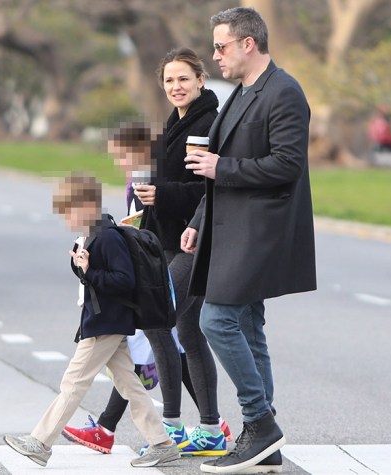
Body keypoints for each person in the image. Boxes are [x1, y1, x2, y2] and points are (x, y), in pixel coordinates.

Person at [181, 7, 317, 474]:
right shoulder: (240, 93)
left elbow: (287, 165)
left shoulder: (284, 92)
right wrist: (199, 217)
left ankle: (259, 422)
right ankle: (266, 444)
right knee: (249, 326)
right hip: (229, 228)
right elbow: (216, 164)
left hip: (261, 232)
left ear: (247, 44)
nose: (214, 55)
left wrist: (223, 169)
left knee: (217, 320)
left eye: (220, 46)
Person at [3, 173, 180, 468]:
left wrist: (90, 270)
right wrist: (80, 266)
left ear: (86, 207)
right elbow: (94, 279)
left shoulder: (108, 236)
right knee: (129, 384)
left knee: (73, 382)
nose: (65, 220)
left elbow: (124, 281)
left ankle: (40, 442)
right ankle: (161, 442)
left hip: (105, 324)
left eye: (67, 213)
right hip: (104, 321)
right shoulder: (93, 234)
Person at [135, 47, 229, 457]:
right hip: (167, 242)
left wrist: (162, 194)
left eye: (184, 79)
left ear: (201, 80)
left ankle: (171, 427)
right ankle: (209, 429)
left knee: (158, 318)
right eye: (170, 80)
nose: (176, 86)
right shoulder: (175, 122)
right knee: (188, 330)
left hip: (197, 240)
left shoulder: (206, 123)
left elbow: (209, 188)